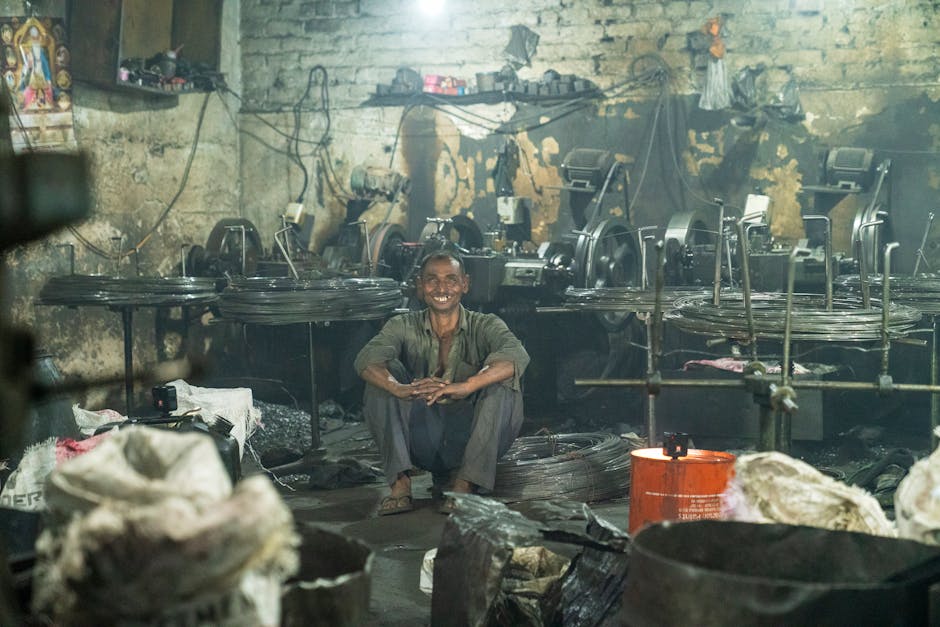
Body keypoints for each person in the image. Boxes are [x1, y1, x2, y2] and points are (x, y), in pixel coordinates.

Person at [354, 249, 529, 515]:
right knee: (382, 376)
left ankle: (464, 486)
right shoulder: (401, 324)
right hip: (423, 438)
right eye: (432, 279)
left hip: (473, 440)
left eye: (451, 279)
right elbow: (366, 359)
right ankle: (400, 485)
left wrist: (466, 385)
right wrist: (399, 388)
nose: (441, 287)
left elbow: (517, 355)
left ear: (465, 284)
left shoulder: (487, 325)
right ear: (419, 285)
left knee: (503, 381)